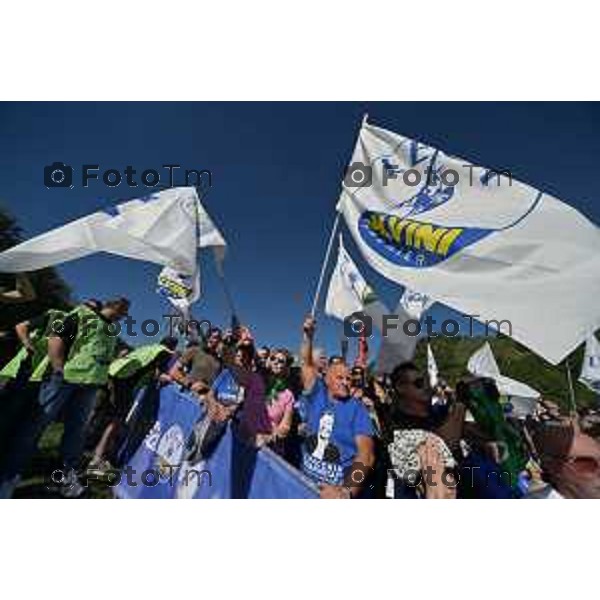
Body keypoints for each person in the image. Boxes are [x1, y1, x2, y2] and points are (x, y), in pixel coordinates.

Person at [0, 297, 130, 498]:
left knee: (76, 433)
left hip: (90, 386)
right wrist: (59, 369)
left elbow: (99, 355)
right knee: (36, 426)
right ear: (115, 307)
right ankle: (8, 476)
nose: (124, 316)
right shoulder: (81, 315)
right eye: (124, 311)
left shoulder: (112, 330)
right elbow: (55, 339)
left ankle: (66, 478)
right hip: (65, 380)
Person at [300, 316, 375, 499]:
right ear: (325, 379)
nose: (345, 382)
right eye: (339, 378)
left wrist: (347, 491)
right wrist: (308, 336)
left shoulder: (357, 409)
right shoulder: (316, 393)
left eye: (348, 379)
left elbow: (366, 456)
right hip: (302, 485)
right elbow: (306, 364)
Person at [86, 336, 178, 475]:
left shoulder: (148, 348)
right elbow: (160, 375)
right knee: (116, 421)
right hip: (122, 381)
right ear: (172, 347)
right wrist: (171, 379)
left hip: (111, 373)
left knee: (100, 414)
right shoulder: (165, 352)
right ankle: (96, 460)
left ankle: (83, 451)